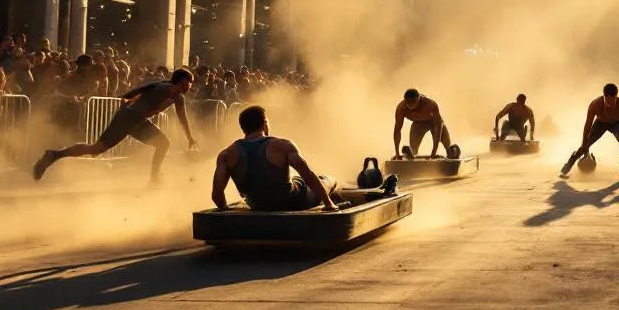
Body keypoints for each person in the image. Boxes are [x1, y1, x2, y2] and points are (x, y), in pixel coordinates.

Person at [210, 105, 397, 212]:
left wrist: (225, 210)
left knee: (299, 181)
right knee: (329, 180)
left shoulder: (226, 154)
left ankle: (344, 193)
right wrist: (328, 205)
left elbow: (217, 194)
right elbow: (308, 174)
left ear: (243, 127)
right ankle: (348, 192)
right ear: (264, 123)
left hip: (256, 202)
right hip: (291, 200)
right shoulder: (282, 145)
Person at [33, 68, 198, 183]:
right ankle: (54, 155)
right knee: (96, 149)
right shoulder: (165, 89)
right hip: (128, 118)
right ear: (183, 81)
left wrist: (189, 137)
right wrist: (128, 102)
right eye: (190, 82)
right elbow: (139, 95)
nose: (191, 86)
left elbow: (182, 118)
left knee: (163, 143)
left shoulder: (177, 97)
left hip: (138, 122)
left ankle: (155, 179)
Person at [559, 83, 619, 180]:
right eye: (607, 102)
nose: (610, 104)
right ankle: (570, 162)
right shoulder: (595, 105)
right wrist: (584, 143)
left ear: (616, 97)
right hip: (601, 122)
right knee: (586, 144)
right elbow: (587, 125)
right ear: (604, 97)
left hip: (617, 122)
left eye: (612, 101)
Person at [393, 88, 453, 159]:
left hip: (434, 122)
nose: (410, 105)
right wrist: (397, 154)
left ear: (418, 98)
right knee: (413, 150)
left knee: (447, 145)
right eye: (408, 102)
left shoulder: (430, 104)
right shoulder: (401, 108)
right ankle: (410, 158)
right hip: (418, 124)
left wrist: (433, 153)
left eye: (413, 102)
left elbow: (439, 128)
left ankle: (452, 153)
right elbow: (397, 131)